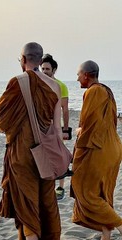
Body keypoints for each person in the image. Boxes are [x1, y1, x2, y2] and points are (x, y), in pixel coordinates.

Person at [0, 42, 62, 240]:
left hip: (22, 153)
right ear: (41, 61)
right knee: (44, 204)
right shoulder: (55, 86)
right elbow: (56, 128)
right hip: (45, 154)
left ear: (23, 60)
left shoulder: (17, 81)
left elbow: (2, 120)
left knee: (27, 207)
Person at [71, 60, 122, 240]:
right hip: (113, 148)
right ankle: (106, 236)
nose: (77, 78)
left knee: (85, 191)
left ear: (86, 75)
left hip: (99, 149)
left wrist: (79, 132)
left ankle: (121, 226)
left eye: (78, 74)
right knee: (103, 193)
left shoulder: (93, 92)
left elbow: (89, 126)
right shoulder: (107, 90)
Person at [41, 54, 71, 201]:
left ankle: (60, 187)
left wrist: (65, 129)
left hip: (56, 127)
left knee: (60, 156)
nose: (45, 71)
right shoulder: (39, 84)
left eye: (47, 69)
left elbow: (65, 110)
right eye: (43, 68)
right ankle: (47, 186)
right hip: (43, 127)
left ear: (54, 70)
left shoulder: (61, 86)